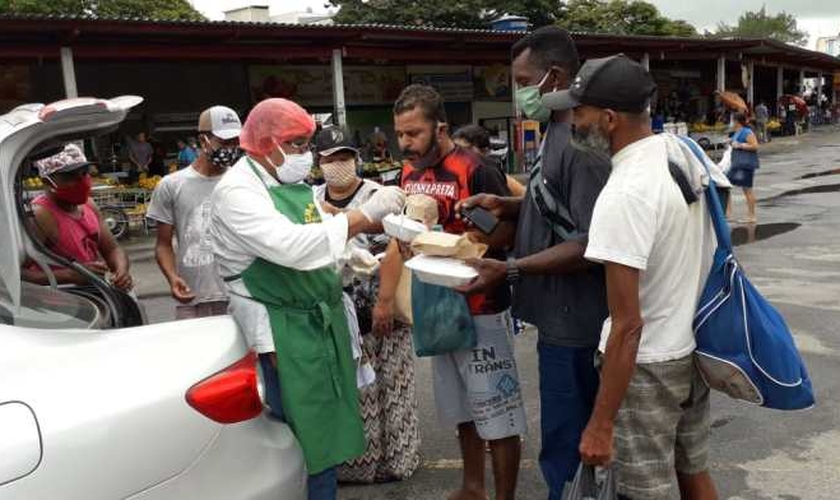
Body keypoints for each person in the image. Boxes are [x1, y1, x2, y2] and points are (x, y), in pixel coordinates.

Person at [208, 98, 406, 500]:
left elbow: (315, 222)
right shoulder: (237, 191)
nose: (306, 155)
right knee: (297, 434)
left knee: (325, 423)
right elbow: (290, 246)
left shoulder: (289, 182)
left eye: (305, 144)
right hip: (280, 327)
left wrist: (348, 254)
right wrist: (364, 216)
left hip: (316, 319)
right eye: (297, 144)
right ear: (266, 143)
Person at [549, 54, 719, 500]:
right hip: (692, 349)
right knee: (694, 471)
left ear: (607, 119)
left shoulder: (624, 193)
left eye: (578, 111)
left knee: (647, 492)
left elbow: (628, 325)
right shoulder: (681, 153)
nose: (571, 120)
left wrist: (600, 425)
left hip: (646, 369)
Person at [456, 26, 611, 498]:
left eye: (524, 79)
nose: (519, 90)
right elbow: (554, 205)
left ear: (555, 76)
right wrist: (506, 205)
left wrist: (512, 269)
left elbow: (591, 241)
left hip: (576, 322)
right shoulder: (555, 131)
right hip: (557, 315)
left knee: (567, 440)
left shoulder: (580, 143)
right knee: (565, 435)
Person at [374, 84, 525, 500]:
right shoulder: (409, 173)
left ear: (440, 128)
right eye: (400, 134)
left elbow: (509, 232)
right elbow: (407, 233)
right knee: (462, 409)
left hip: (482, 305)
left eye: (414, 134)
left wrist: (468, 238)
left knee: (497, 409)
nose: (405, 144)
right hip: (437, 305)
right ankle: (473, 487)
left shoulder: (475, 168)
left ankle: (504, 495)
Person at [312, 126, 421, 483]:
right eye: (330, 158)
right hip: (336, 310)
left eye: (344, 157)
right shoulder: (309, 199)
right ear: (319, 162)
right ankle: (357, 466)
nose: (337, 165)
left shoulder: (380, 194)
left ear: (357, 158)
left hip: (381, 301)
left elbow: (397, 245)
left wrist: (385, 302)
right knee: (354, 388)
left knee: (392, 383)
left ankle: (398, 461)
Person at [147, 106, 243, 320]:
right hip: (192, 298)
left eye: (236, 141)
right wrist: (172, 278)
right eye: (224, 142)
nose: (231, 148)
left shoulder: (244, 181)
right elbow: (163, 244)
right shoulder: (171, 185)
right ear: (203, 141)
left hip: (241, 297)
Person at [23, 143, 133, 291]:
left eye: (84, 173)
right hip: (63, 304)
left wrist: (121, 271)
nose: (81, 181)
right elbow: (16, 274)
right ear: (47, 182)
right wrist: (69, 275)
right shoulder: (40, 216)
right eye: (70, 176)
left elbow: (113, 249)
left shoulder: (89, 204)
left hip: (99, 297)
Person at [453, 124, 526, 197]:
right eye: (456, 150)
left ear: (484, 151)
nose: (458, 154)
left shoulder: (489, 173)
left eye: (465, 150)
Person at [727, 112, 760, 223]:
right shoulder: (737, 132)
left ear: (737, 121)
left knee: (747, 190)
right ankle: (728, 213)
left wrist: (740, 145)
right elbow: (736, 142)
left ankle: (751, 216)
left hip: (745, 165)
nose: (731, 122)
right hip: (737, 164)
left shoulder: (747, 131)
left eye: (732, 120)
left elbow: (755, 146)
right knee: (726, 186)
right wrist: (731, 142)